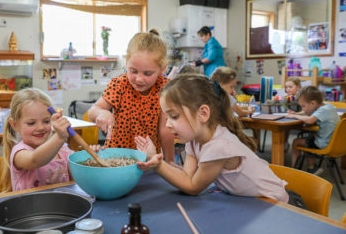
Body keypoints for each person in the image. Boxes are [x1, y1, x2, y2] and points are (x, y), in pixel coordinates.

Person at [136, 74, 289, 203]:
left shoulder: (218, 145)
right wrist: (154, 158)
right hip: (248, 203)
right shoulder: (195, 139)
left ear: (203, 113)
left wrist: (158, 165)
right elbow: (187, 176)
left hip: (274, 204)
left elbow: (192, 187)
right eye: (166, 117)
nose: (168, 124)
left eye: (174, 116)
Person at [88, 29, 175, 162]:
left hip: (147, 158)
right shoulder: (119, 84)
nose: (139, 79)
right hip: (115, 158)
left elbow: (165, 130)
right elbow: (92, 111)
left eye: (147, 73)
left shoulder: (164, 88)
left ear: (162, 69)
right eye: (133, 71)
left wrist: (169, 162)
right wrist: (101, 113)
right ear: (127, 63)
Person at [0, 88, 74, 192]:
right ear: (15, 125)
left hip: (59, 206)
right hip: (29, 206)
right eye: (31, 123)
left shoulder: (62, 150)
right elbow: (34, 160)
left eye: (46, 121)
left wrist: (92, 157)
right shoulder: (19, 152)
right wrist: (59, 137)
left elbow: (78, 172)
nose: (40, 128)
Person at [287, 86, 340, 173]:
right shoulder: (329, 106)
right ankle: (312, 167)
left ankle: (294, 169)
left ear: (313, 103)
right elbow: (308, 111)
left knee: (296, 141)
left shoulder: (322, 111)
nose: (302, 109)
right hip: (335, 143)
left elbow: (310, 120)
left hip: (324, 144)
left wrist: (294, 116)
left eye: (303, 106)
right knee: (308, 138)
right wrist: (297, 113)